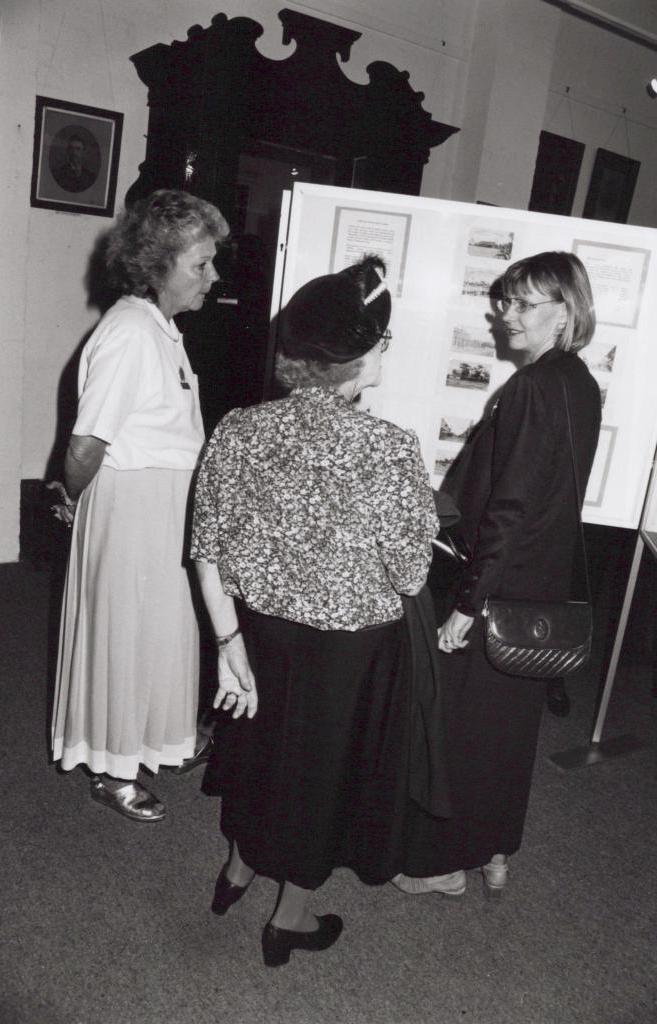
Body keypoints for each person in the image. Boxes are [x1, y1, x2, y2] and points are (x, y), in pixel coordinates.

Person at [190, 255, 441, 966]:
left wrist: (227, 643)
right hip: (351, 655)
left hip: (260, 639)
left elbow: (205, 550)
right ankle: (288, 921)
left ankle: (237, 871)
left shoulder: (239, 428)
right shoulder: (389, 448)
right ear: (360, 356)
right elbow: (411, 571)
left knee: (258, 756)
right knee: (322, 779)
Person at [393, 250, 601, 898]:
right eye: (504, 300)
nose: (503, 313)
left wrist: (464, 605)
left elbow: (507, 509)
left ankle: (442, 865)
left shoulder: (531, 388)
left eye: (521, 302)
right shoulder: (578, 383)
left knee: (460, 729)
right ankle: (495, 853)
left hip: (496, 588)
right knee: (507, 734)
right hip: (535, 590)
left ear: (563, 312)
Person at [50, 189, 230, 821]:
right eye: (201, 265)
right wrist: (74, 500)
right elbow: (85, 443)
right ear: (157, 267)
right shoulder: (129, 332)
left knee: (160, 632)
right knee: (122, 634)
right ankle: (109, 768)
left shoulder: (162, 330)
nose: (214, 276)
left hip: (164, 504)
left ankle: (157, 741)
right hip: (131, 506)